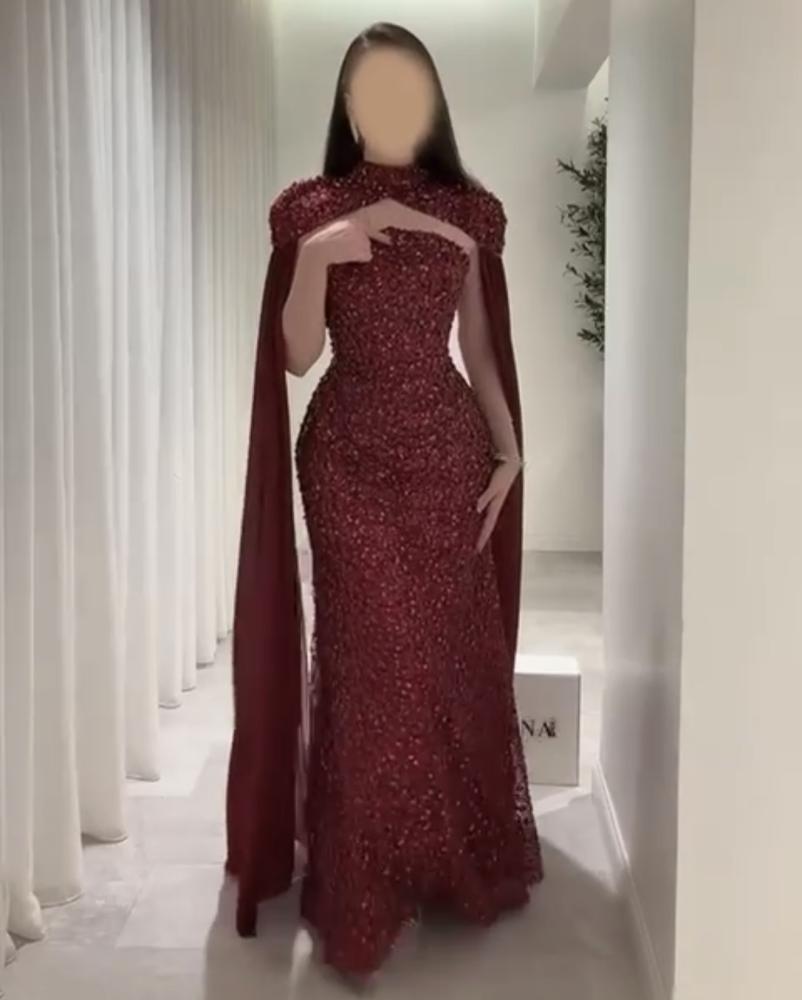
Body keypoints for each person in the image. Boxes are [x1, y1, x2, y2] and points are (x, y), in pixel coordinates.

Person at [224, 20, 544, 983]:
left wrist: (509, 445)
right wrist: (320, 253)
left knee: (444, 654)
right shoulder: (308, 207)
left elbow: (479, 345)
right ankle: (362, 881)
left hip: (446, 455)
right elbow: (294, 358)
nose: (393, 108)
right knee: (366, 659)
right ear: (348, 105)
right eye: (374, 92)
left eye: (409, 90)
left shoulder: (472, 212)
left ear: (433, 102)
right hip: (347, 460)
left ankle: (445, 856)